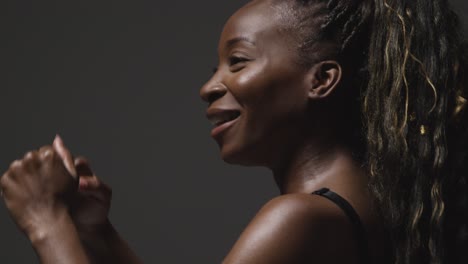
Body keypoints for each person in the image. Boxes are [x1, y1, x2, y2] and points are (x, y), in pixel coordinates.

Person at [1, 0, 467, 263]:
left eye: (237, 62)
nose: (208, 88)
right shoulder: (367, 208)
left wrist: (46, 223)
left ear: (321, 80)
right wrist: (100, 237)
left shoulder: (301, 220)